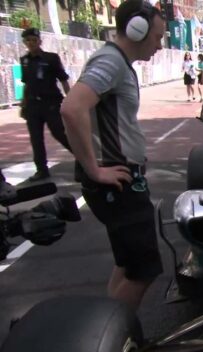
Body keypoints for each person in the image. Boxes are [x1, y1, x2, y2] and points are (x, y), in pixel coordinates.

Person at [60, 0, 165, 309]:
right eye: (157, 37)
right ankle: (113, 338)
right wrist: (94, 170)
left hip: (121, 180)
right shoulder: (112, 62)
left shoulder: (117, 62)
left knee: (128, 264)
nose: (159, 45)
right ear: (137, 30)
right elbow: (71, 107)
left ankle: (114, 333)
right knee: (143, 269)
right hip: (117, 182)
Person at [20, 27, 73, 182]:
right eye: (27, 40)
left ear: (39, 41)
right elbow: (26, 83)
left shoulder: (51, 58)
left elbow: (63, 79)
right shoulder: (24, 60)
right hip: (32, 105)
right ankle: (41, 170)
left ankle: (83, 158)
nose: (31, 43)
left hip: (50, 103)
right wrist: (23, 104)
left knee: (59, 133)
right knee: (36, 138)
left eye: (34, 40)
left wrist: (69, 99)